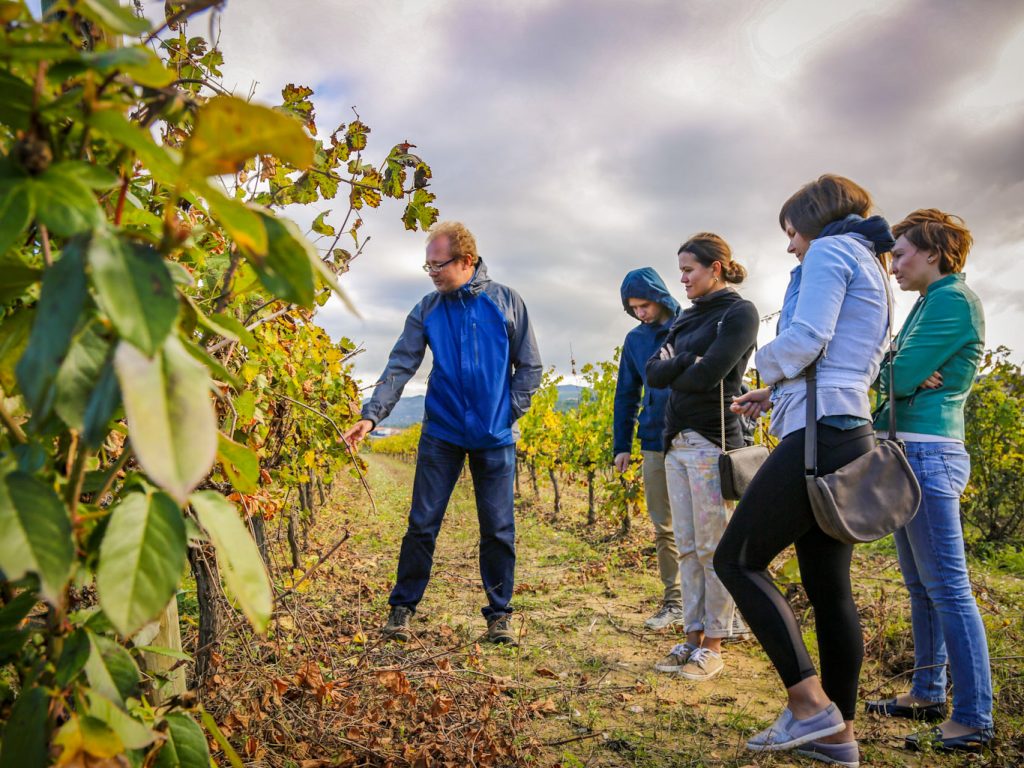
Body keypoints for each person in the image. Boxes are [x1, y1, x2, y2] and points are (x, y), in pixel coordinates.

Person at [716, 175, 894, 767]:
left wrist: (760, 368)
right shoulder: (869, 258)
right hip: (849, 428)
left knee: (736, 559)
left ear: (813, 221)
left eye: (792, 233)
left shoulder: (831, 250)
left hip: (821, 434)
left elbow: (810, 337)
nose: (792, 246)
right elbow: (841, 353)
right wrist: (774, 394)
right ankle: (837, 733)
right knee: (826, 584)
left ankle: (808, 704)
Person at [343, 221, 542, 645]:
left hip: (495, 436)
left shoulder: (506, 302)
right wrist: (372, 415)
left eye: (438, 264)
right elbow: (401, 365)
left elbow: (530, 367)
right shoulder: (427, 309)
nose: (432, 272)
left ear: (466, 261)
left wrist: (508, 412)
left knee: (498, 529)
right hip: (443, 432)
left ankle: (500, 615)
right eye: (427, 266)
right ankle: (402, 608)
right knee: (421, 523)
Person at [864, 209, 994, 752]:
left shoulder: (950, 300)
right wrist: (898, 374)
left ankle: (974, 717)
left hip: (930, 454)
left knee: (948, 589)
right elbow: (893, 372)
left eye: (902, 252)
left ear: (933, 253)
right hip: (908, 450)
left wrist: (898, 375)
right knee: (922, 586)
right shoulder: (928, 302)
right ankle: (927, 691)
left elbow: (891, 374)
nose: (894, 263)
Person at [644, 233, 759, 681]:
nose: (684, 279)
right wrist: (687, 361)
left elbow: (712, 373)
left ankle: (714, 642)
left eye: (689, 270)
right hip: (675, 443)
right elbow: (655, 373)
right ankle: (691, 636)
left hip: (712, 443)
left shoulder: (739, 312)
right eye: (681, 272)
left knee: (714, 546)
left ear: (716, 268)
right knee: (688, 546)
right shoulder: (687, 318)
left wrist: (686, 361)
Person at [612, 268, 685, 630]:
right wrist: (622, 444)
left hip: (694, 435)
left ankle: (719, 606)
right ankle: (674, 602)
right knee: (664, 526)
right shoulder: (635, 340)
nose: (640, 312)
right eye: (633, 308)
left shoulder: (689, 324)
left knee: (704, 527)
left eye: (644, 304)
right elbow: (626, 393)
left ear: (659, 296)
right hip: (654, 439)